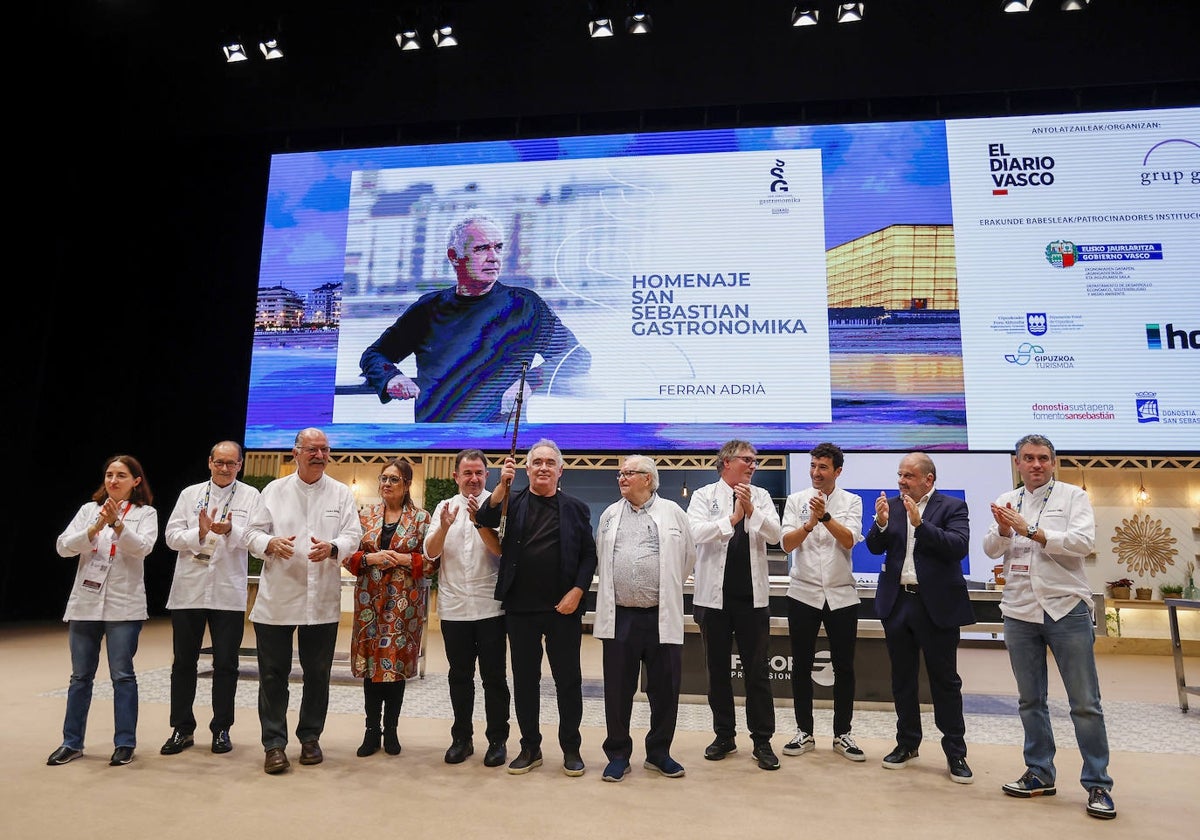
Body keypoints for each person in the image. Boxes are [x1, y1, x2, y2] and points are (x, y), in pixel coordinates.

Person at [984, 434, 1116, 820]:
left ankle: (1098, 784)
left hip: (1065, 610)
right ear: (1018, 463)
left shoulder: (1073, 497)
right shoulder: (1007, 500)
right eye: (1028, 458)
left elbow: (1082, 543)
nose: (1036, 464)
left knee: (1085, 704)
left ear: (1054, 463)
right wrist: (1005, 531)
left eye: (1043, 458)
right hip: (1020, 611)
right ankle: (1039, 772)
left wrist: (1031, 531)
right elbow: (991, 550)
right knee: (1030, 701)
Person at [358, 210, 592, 423]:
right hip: (436, 441)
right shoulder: (427, 309)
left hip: (500, 443)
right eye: (481, 249)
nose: (493, 257)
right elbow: (374, 355)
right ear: (454, 256)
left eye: (498, 247)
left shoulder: (525, 305)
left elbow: (577, 357)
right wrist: (392, 378)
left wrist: (529, 382)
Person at [474, 439, 598, 777]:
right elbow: (482, 518)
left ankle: (571, 748)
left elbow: (589, 555)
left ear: (560, 470)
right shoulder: (511, 502)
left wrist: (578, 589)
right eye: (536, 462)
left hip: (563, 608)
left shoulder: (576, 508)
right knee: (525, 680)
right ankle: (530, 747)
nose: (542, 467)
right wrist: (501, 484)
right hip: (521, 607)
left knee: (568, 681)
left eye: (549, 463)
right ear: (527, 469)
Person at [243, 428, 363, 775]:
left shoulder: (340, 493)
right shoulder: (274, 490)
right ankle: (274, 745)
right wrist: (269, 543)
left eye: (324, 449)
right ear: (296, 452)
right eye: (312, 449)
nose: (319, 455)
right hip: (277, 598)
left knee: (317, 675)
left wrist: (334, 547)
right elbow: (251, 532)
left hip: (321, 601)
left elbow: (353, 535)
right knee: (273, 675)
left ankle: (310, 738)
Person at [866, 452, 975, 784]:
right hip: (898, 603)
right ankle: (907, 743)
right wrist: (881, 523)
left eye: (909, 476)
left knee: (944, 682)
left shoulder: (952, 507)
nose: (901, 481)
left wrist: (920, 525)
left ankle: (955, 752)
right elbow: (874, 547)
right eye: (899, 475)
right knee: (902, 679)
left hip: (936, 606)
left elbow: (958, 547)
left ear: (929, 479)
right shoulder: (893, 506)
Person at [49, 454, 158, 767]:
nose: (113, 480)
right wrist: (94, 528)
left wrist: (118, 525)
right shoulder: (88, 510)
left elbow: (142, 548)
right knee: (80, 677)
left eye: (121, 475)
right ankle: (72, 743)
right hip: (86, 604)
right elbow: (63, 546)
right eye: (109, 474)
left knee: (122, 676)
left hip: (124, 606)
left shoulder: (145, 512)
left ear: (136, 481)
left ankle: (124, 743)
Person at [594, 454, 697, 782]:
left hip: (659, 615)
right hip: (620, 615)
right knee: (617, 689)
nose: (622, 478)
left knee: (665, 688)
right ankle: (618, 754)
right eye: (620, 474)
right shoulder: (610, 514)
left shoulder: (673, 513)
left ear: (648, 480)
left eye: (629, 473)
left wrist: (663, 589)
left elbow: (688, 558)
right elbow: (601, 556)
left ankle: (659, 752)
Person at [686, 440, 783, 771]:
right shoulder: (703, 496)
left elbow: (777, 536)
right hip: (713, 601)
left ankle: (762, 741)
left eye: (755, 460)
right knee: (717, 671)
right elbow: (695, 533)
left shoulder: (763, 497)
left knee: (757, 672)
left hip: (752, 601)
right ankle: (724, 735)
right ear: (726, 462)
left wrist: (752, 512)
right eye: (747, 459)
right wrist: (733, 518)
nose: (753, 465)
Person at [161, 441, 261, 757]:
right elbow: (171, 537)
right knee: (184, 663)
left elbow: (255, 539)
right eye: (219, 462)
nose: (224, 468)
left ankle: (221, 729)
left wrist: (230, 529)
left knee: (226, 664)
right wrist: (200, 534)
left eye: (231, 463)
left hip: (227, 592)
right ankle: (182, 728)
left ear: (240, 465)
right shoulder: (190, 494)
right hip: (189, 590)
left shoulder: (251, 496)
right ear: (209, 462)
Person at [421, 448, 511, 768]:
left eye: (479, 473)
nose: (473, 479)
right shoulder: (443, 507)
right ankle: (462, 738)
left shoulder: (499, 506)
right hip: (454, 607)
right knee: (459, 676)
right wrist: (444, 527)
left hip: (491, 608)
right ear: (456, 476)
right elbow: (430, 553)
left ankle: (497, 740)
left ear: (486, 475)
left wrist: (478, 521)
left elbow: (502, 552)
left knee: (494, 678)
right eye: (467, 473)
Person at [779, 442, 865, 762]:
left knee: (844, 667)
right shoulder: (795, 500)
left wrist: (825, 516)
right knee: (800, 665)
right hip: (803, 593)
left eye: (823, 467)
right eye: (813, 466)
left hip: (842, 595)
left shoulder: (852, 501)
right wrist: (809, 523)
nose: (816, 472)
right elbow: (787, 545)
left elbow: (848, 540)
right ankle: (805, 731)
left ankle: (843, 733)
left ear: (837, 471)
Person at [341, 459, 433, 758]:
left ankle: (391, 730)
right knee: (371, 665)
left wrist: (406, 560)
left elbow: (433, 562)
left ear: (407, 484)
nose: (387, 484)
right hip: (369, 600)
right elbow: (347, 555)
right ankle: (371, 731)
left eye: (394, 479)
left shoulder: (421, 519)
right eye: (383, 479)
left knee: (393, 666)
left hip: (404, 604)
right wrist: (370, 559)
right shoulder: (364, 516)